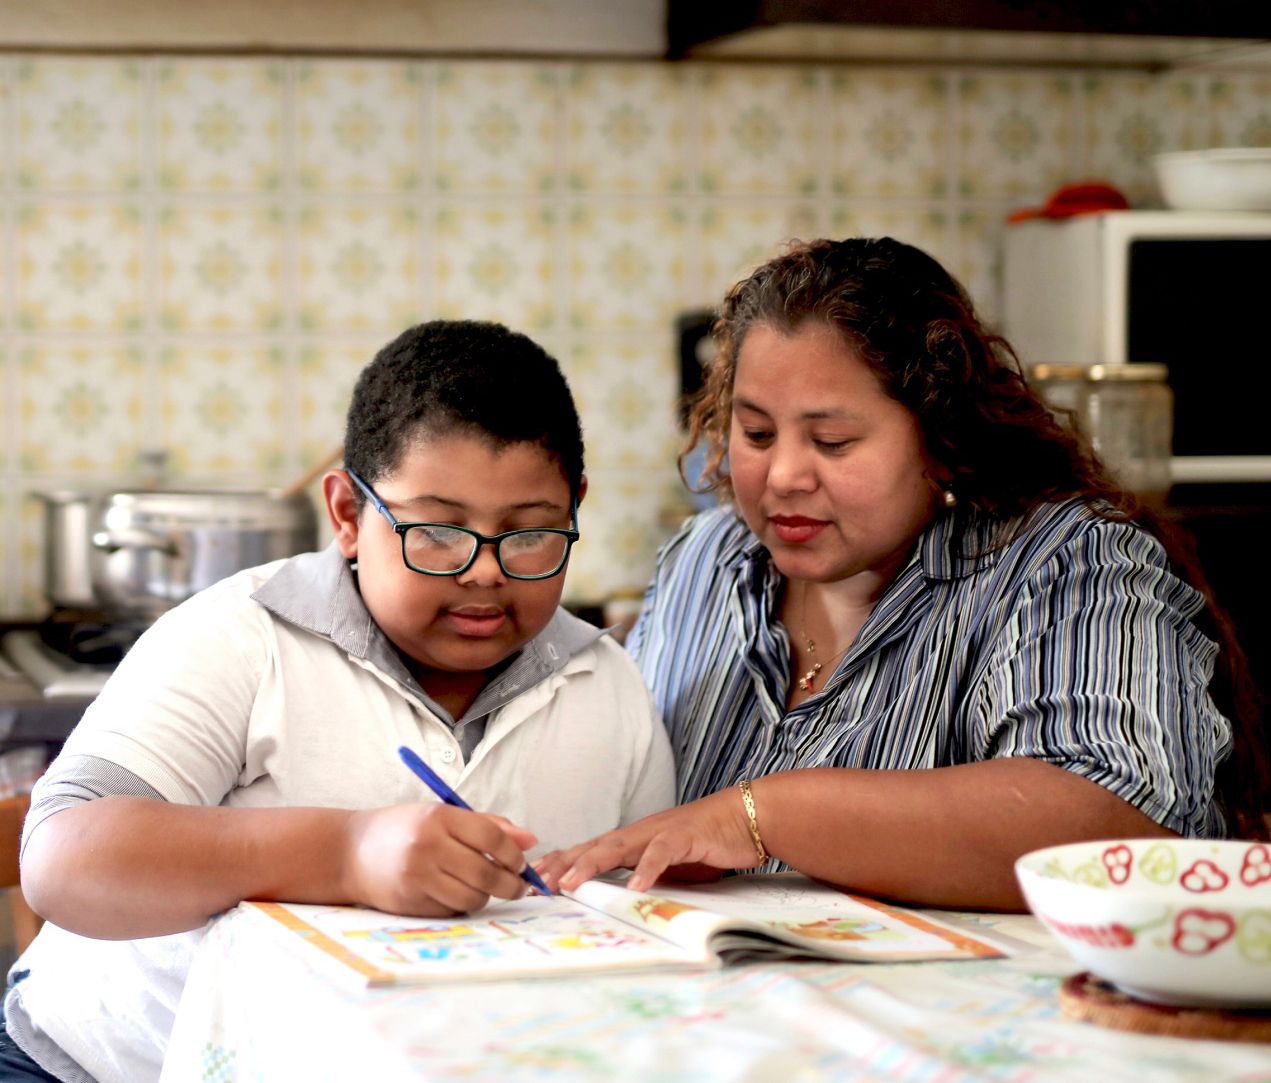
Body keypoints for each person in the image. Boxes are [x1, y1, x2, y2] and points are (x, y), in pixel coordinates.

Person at [1, 320, 674, 1083]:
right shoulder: (240, 635)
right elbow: (63, 859)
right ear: (349, 516)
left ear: (574, 506)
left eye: (528, 533)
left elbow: (639, 915)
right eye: (439, 531)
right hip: (105, 1065)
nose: (484, 572)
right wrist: (346, 853)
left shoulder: (604, 682)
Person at [542, 236, 1268, 912]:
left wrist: (762, 816)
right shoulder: (705, 557)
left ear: (939, 433)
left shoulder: (1069, 566)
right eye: (755, 432)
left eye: (831, 439)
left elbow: (1112, 821)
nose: (783, 475)